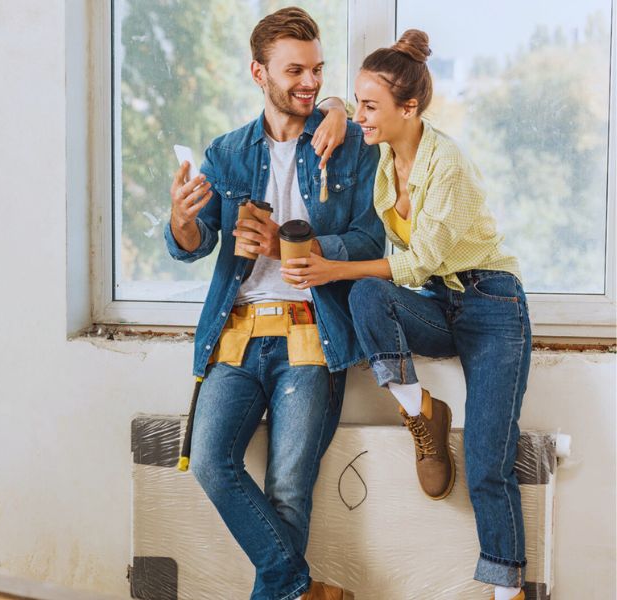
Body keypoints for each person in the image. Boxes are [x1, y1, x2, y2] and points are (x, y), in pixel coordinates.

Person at [282, 30, 531, 600]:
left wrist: (333, 270)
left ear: (409, 108)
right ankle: (422, 411)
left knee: (488, 461)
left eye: (373, 107)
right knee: (368, 297)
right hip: (443, 303)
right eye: (362, 105)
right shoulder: (383, 157)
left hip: (493, 306)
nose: (364, 117)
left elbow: (416, 263)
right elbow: (316, 102)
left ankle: (506, 590)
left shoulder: (448, 167)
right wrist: (342, 107)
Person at [166, 7, 383, 599]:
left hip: (312, 332)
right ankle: (303, 588)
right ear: (259, 73)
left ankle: (290, 589)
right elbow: (193, 244)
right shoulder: (227, 152)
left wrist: (306, 245)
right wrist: (183, 220)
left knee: (289, 487)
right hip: (236, 335)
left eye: (317, 70)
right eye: (295, 71)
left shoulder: (349, 148)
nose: (309, 83)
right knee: (211, 462)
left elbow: (371, 238)